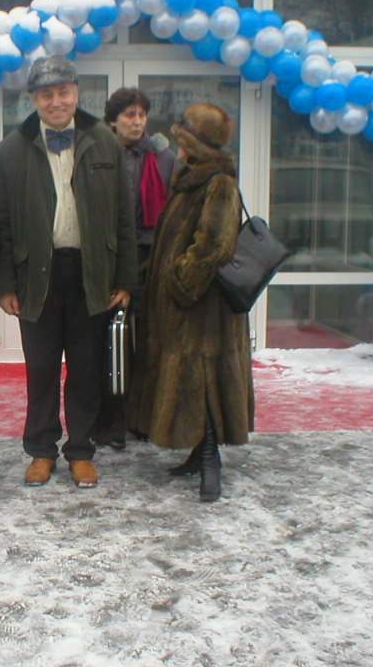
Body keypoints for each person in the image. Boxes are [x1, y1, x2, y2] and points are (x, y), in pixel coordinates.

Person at [0, 57, 137, 489]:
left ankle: (81, 450)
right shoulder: (8, 152)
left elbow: (124, 216)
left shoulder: (105, 142)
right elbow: (0, 223)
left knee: (86, 369)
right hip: (37, 276)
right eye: (47, 94)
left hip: (91, 274)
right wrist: (4, 285)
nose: (56, 101)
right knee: (41, 370)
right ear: (33, 99)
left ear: (76, 93)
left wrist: (125, 279)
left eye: (64, 92)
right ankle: (40, 450)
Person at [129, 103, 254, 503]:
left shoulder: (218, 184)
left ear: (196, 146)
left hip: (203, 306)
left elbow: (214, 245)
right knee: (191, 377)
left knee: (205, 378)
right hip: (185, 306)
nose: (178, 148)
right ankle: (199, 452)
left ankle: (210, 458)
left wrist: (181, 281)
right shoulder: (192, 180)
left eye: (183, 141)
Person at [91, 87, 178, 451]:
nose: (137, 121)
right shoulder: (98, 154)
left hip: (151, 259)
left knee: (148, 343)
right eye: (129, 114)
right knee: (109, 344)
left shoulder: (163, 157)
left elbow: (175, 209)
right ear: (113, 120)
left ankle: (143, 419)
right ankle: (109, 422)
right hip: (109, 260)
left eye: (142, 114)